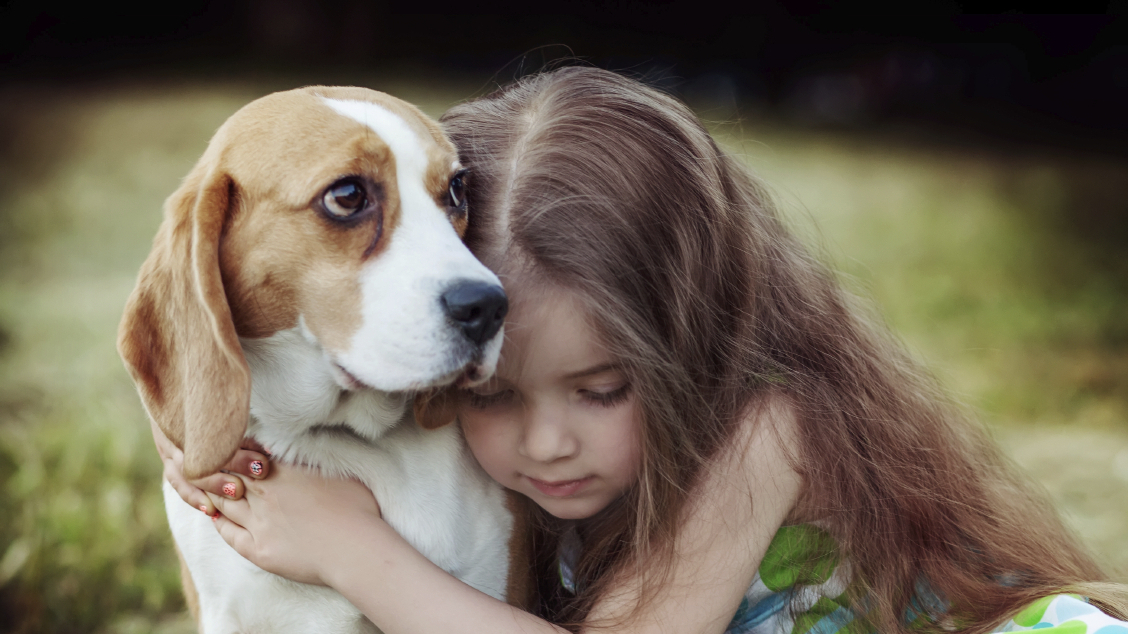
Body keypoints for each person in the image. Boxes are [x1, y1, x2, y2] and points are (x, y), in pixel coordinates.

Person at [156, 66, 1128, 634]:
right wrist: (208, 437)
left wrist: (352, 551)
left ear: (694, 342)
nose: (546, 443)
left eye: (605, 388)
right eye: (490, 395)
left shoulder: (767, 430)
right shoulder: (444, 394)